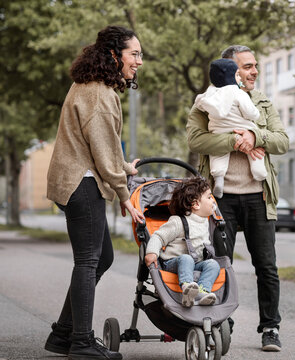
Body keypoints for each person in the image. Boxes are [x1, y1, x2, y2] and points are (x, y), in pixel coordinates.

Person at [44, 25, 145, 360]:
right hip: (81, 181)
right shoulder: (101, 95)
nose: (139, 62)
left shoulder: (90, 86)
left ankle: (63, 334)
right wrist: (124, 194)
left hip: (80, 177)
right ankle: (82, 342)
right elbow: (102, 152)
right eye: (134, 54)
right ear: (114, 55)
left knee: (102, 257)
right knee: (88, 260)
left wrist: (124, 169)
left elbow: (103, 146)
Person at [186, 45, 289, 352]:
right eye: (247, 66)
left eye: (255, 65)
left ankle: (270, 327)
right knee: (218, 263)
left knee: (267, 267)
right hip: (220, 199)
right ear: (230, 70)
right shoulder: (206, 101)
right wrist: (234, 139)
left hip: (259, 196)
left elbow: (282, 140)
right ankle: (221, 321)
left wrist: (255, 136)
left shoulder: (261, 101)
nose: (254, 71)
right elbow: (195, 139)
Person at [194, 58, 266, 198]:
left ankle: (219, 178)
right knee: (254, 152)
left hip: (218, 130)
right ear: (232, 75)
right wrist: (256, 115)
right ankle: (259, 173)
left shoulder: (210, 93)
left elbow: (199, 103)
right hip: (242, 129)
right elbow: (250, 112)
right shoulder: (238, 92)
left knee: (218, 153)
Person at [144, 177, 220, 307]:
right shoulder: (178, 222)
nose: (213, 200)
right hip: (173, 263)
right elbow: (158, 237)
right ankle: (187, 287)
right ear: (196, 204)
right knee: (186, 258)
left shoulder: (205, 222)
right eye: (209, 197)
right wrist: (152, 252)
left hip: (195, 263)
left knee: (213, 264)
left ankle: (202, 291)